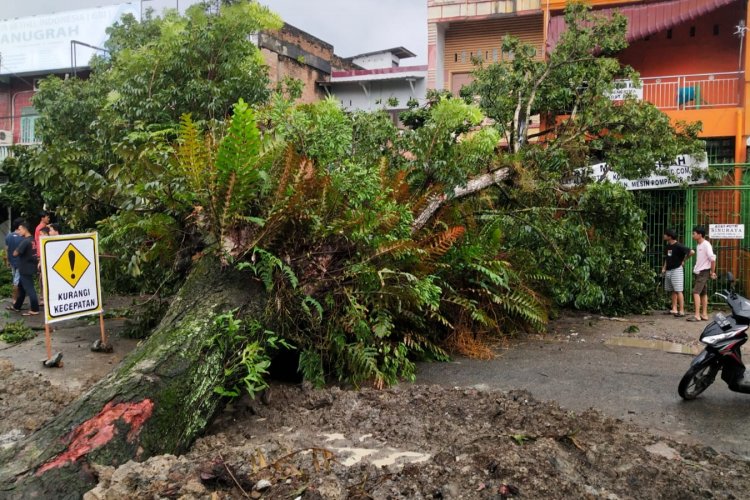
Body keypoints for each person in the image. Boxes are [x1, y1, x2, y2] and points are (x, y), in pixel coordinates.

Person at [661, 228, 694, 317]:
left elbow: (691, 252)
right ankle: (674, 309)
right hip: (669, 269)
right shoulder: (668, 246)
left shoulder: (679, 245)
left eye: (665, 234)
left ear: (670, 236)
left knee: (679, 290)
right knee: (673, 290)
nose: (664, 236)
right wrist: (664, 268)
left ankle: (682, 310)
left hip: (677, 269)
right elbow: (667, 258)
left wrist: (683, 260)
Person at [9, 221, 40, 316]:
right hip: (30, 266)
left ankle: (35, 309)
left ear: (25, 229)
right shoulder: (32, 240)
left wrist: (16, 248)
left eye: (20, 229)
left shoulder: (25, 241)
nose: (18, 232)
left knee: (30, 289)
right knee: (21, 288)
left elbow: (15, 253)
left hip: (25, 268)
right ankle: (17, 306)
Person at [688, 226, 717, 322]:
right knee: (703, 293)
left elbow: (712, 259)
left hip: (703, 272)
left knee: (696, 292)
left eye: (694, 233)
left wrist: (712, 272)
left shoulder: (706, 244)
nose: (693, 235)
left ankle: (697, 315)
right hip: (700, 271)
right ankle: (704, 314)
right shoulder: (699, 245)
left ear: (700, 235)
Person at [4, 218, 24, 304]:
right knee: (17, 282)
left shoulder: (8, 236)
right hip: (21, 262)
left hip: (12, 262)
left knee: (16, 280)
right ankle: (15, 300)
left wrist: (7, 261)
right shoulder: (22, 236)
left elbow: (7, 249)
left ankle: (17, 299)